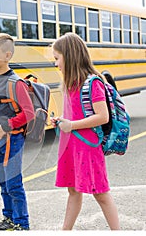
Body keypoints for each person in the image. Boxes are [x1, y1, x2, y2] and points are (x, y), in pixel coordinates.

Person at [50, 33, 120, 230]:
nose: (55, 64)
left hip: (88, 146)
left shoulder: (92, 83)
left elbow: (102, 116)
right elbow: (73, 115)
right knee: (73, 191)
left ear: (70, 56)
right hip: (71, 145)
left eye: (57, 58)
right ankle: (66, 231)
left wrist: (71, 125)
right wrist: (62, 122)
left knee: (100, 193)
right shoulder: (69, 85)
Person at [0, 33, 34, 231]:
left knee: (13, 184)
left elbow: (28, 113)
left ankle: (22, 223)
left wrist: (7, 126)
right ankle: (9, 218)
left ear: (8, 56)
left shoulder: (16, 83)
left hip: (13, 140)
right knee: (3, 183)